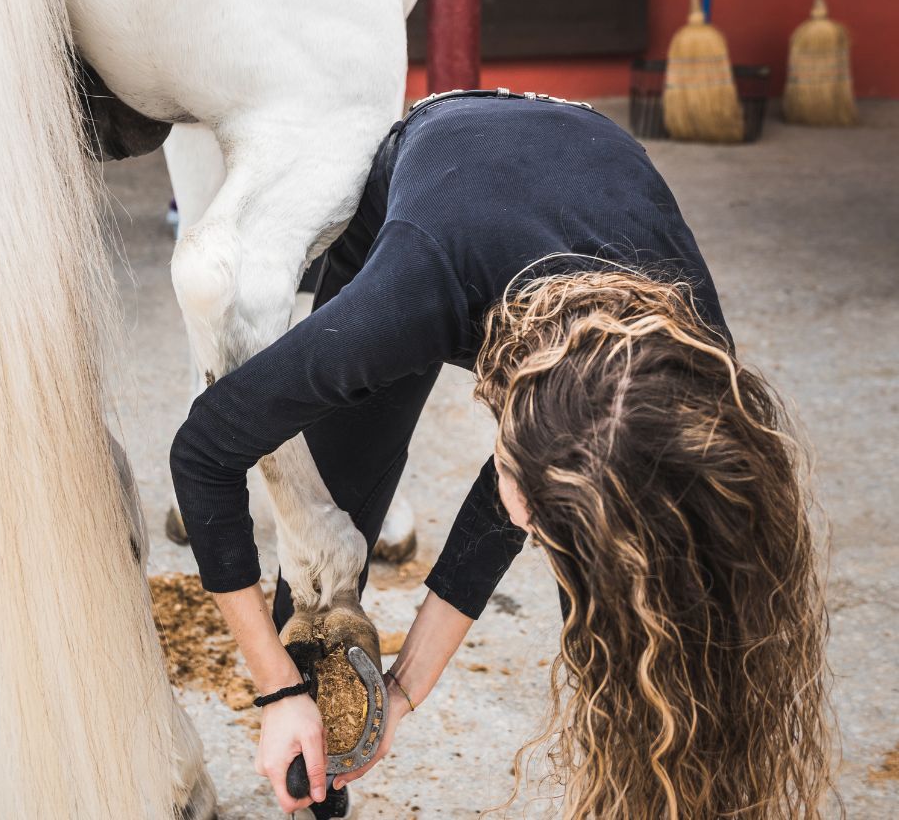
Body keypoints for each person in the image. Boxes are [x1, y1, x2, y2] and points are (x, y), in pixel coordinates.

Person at [171, 90, 834, 819]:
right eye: (518, 488)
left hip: (591, 167)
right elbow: (205, 450)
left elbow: (540, 496)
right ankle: (319, 769)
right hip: (445, 156)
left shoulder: (691, 372)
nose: (510, 514)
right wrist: (277, 689)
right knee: (325, 556)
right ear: (518, 414)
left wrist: (403, 693)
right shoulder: (413, 291)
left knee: (637, 589)